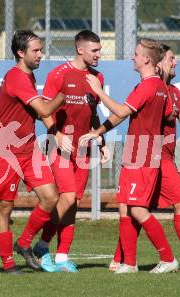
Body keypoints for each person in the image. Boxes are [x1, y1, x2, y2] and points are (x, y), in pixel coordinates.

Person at [109, 44, 180, 272]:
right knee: (144, 206)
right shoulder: (152, 88)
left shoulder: (172, 91)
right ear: (159, 62)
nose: (175, 63)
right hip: (155, 157)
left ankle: (124, 260)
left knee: (134, 207)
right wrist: (100, 132)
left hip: (161, 157)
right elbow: (126, 113)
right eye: (172, 59)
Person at [80, 38, 177, 274]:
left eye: (136, 54)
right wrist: (98, 132)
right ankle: (129, 263)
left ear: (146, 59)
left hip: (142, 156)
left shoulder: (148, 86)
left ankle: (168, 258)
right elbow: (168, 116)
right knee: (124, 208)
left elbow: (121, 111)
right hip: (139, 153)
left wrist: (98, 91)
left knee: (137, 210)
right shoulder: (158, 87)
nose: (132, 57)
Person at [32, 30, 110, 273]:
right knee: (66, 197)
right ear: (80, 49)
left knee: (74, 201)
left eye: (99, 50)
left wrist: (102, 141)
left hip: (84, 148)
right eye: (94, 50)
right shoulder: (59, 74)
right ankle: (42, 246)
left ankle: (63, 255)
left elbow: (94, 114)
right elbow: (42, 111)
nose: (99, 54)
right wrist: (56, 134)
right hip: (60, 148)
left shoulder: (97, 77)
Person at [0, 30, 66, 274]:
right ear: (21, 53)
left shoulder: (28, 76)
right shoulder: (16, 77)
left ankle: (23, 243)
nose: (41, 54)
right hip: (5, 151)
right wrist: (64, 95)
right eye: (36, 50)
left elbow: (36, 113)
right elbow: (43, 110)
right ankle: (8, 264)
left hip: (28, 148)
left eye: (41, 49)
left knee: (51, 197)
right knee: (4, 207)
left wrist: (55, 130)